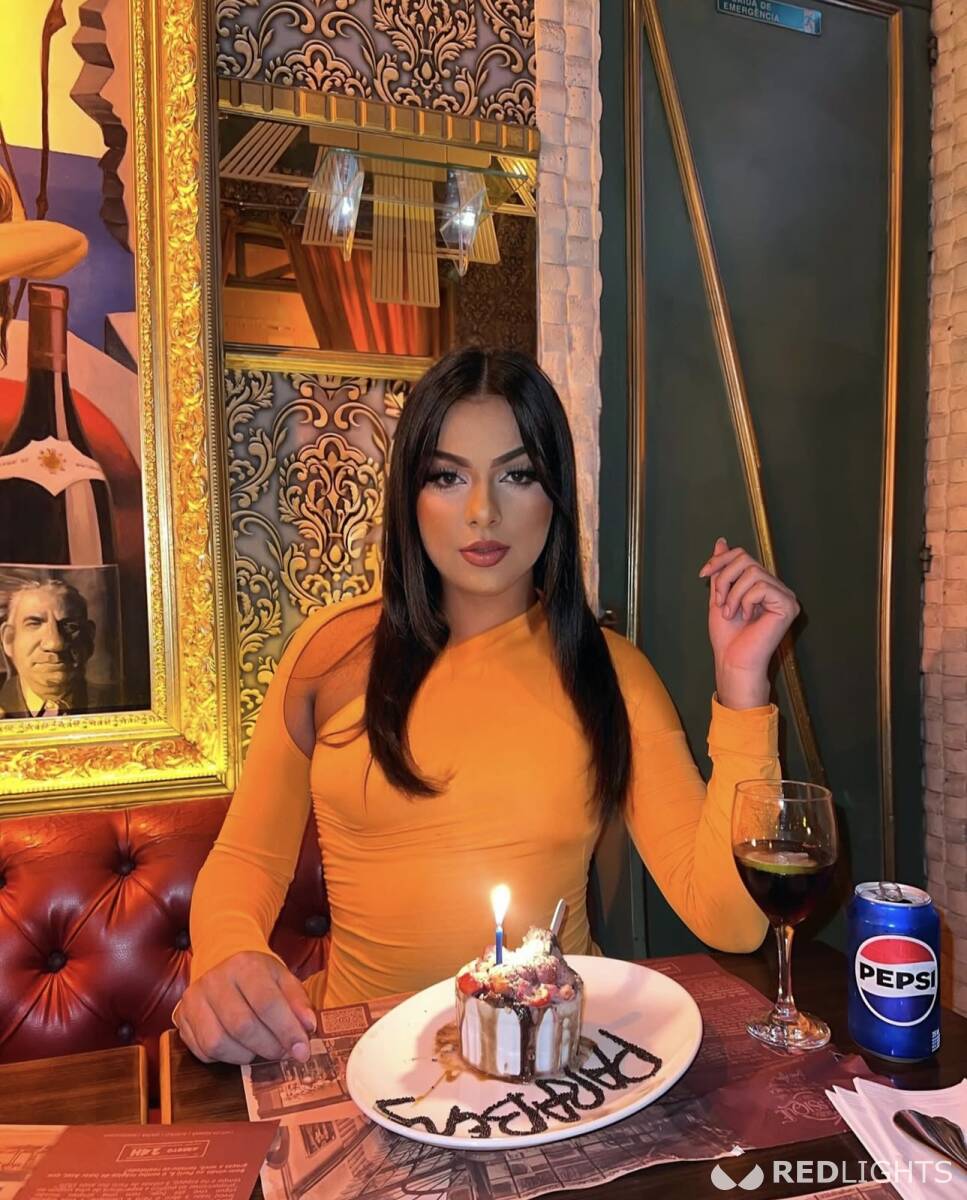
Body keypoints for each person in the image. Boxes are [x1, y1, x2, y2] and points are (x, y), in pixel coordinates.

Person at [178, 347, 799, 1066]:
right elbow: (247, 859)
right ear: (410, 495)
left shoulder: (610, 673)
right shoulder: (329, 656)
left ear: (554, 493)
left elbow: (731, 921)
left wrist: (742, 688)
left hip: (551, 1067)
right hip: (365, 1060)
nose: (482, 512)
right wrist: (226, 955)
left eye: (517, 474)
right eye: (447, 476)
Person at [0, 579, 110, 717]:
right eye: (34, 624)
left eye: (70, 626)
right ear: (9, 639)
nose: (55, 644)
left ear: (88, 638)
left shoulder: (119, 702)